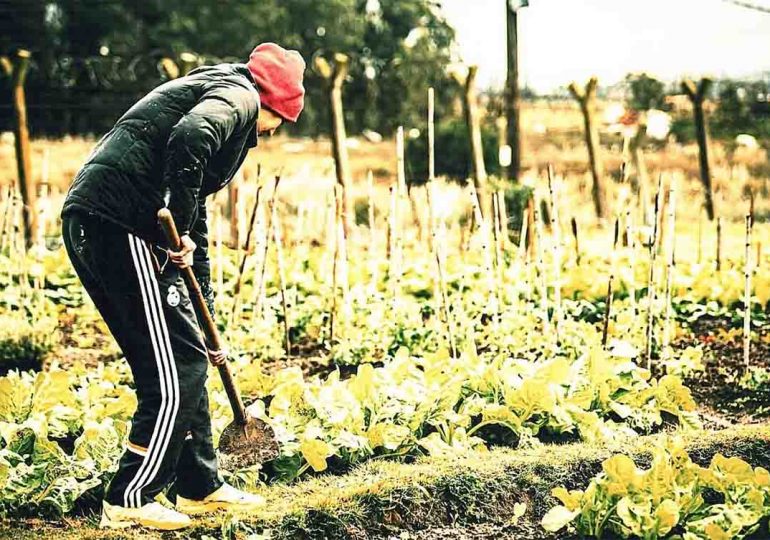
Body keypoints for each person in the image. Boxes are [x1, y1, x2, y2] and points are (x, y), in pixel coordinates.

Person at [60, 43, 305, 531]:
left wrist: (203, 297)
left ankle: (198, 486)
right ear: (276, 102)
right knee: (176, 368)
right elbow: (191, 139)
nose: (274, 132)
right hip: (120, 225)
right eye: (283, 121)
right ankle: (131, 496)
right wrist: (182, 225)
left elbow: (193, 208)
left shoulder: (220, 88)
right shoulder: (240, 98)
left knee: (188, 352)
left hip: (123, 223)